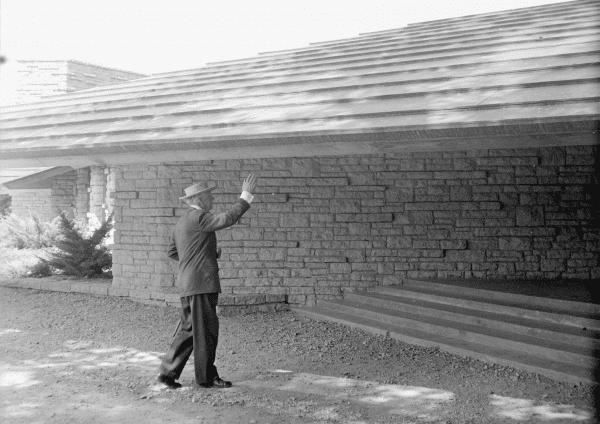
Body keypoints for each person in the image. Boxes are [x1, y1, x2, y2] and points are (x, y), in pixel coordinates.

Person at [156, 174, 257, 389]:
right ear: (200, 199)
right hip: (202, 284)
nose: (212, 199)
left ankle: (167, 374)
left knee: (188, 330)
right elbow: (228, 218)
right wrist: (245, 196)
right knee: (207, 332)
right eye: (209, 196)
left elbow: (173, 252)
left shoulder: (181, 222)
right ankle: (206, 377)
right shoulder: (200, 218)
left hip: (187, 285)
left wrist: (204, 253)